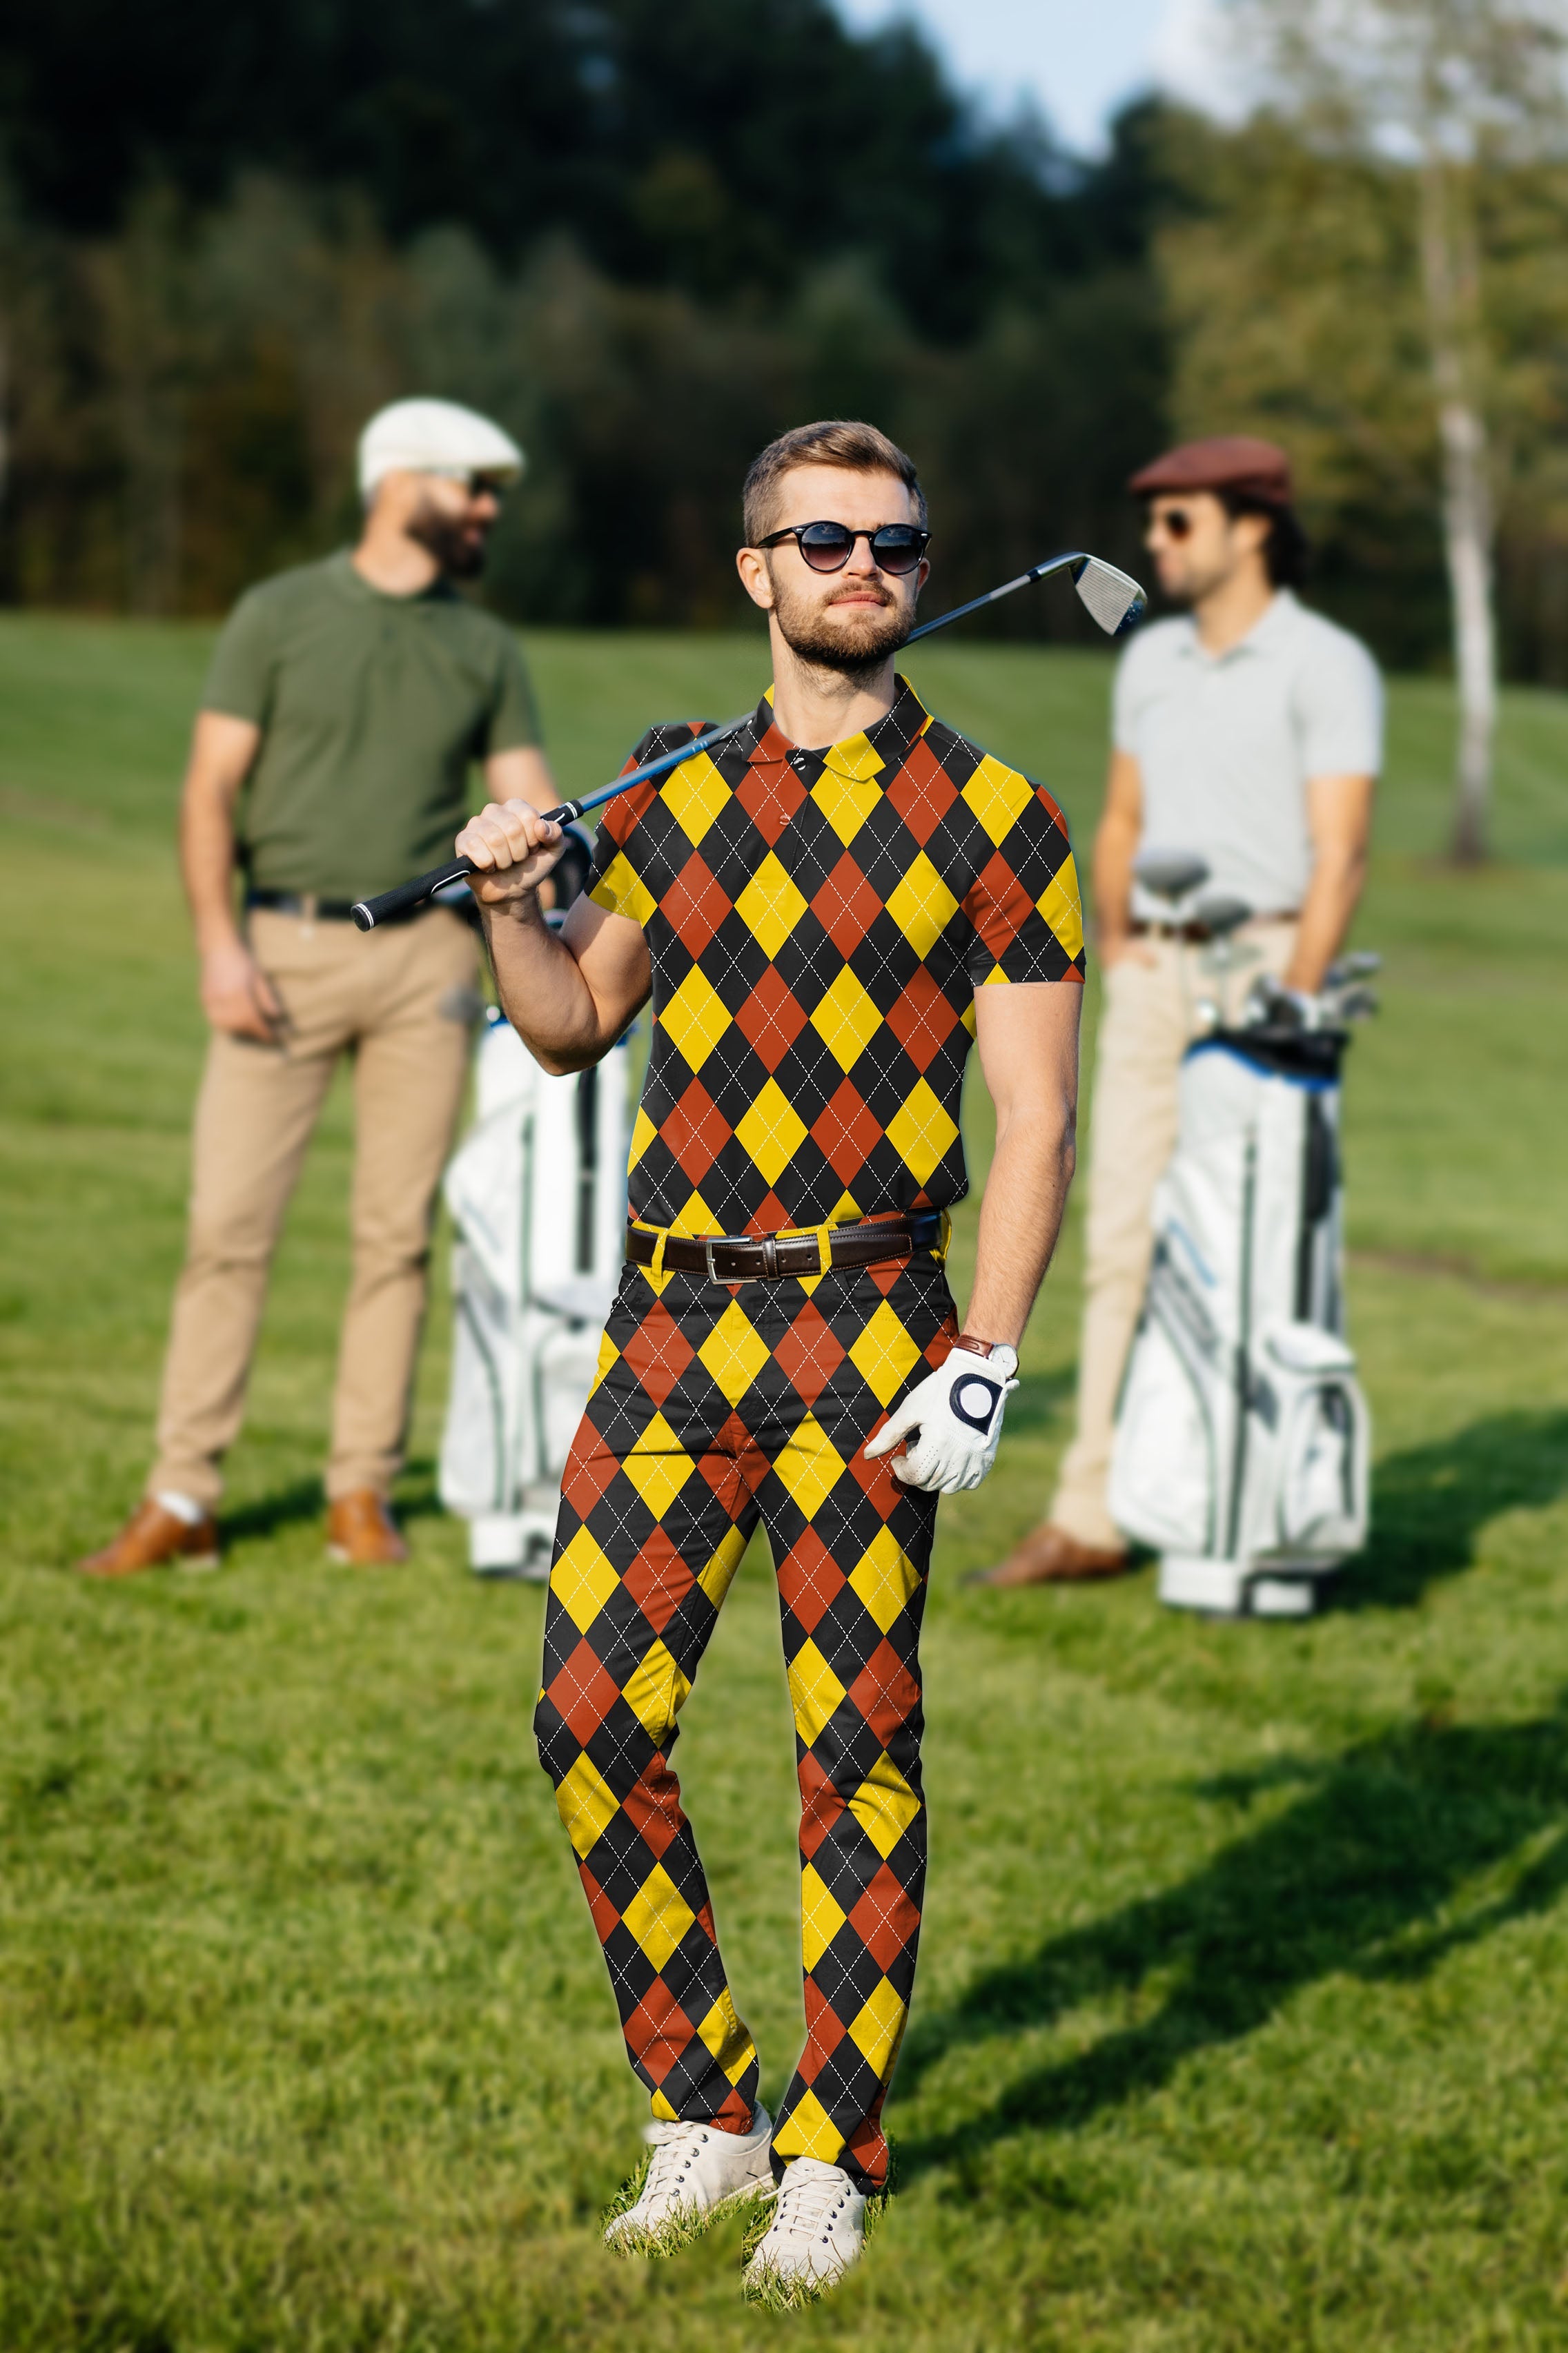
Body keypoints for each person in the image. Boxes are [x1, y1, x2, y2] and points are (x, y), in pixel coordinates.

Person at [453, 420, 1084, 2301]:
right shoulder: (672, 792)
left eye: (893, 538)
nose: (863, 564)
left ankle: (829, 2151)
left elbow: (1038, 1119)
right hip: (673, 1319)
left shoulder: (999, 816)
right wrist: (507, 897)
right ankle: (704, 2105)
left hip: (875, 1318)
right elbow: (571, 1024)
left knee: (854, 1746)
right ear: (760, 576)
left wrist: (989, 1350)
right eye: (823, 540)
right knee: (589, 1713)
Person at [78, 398, 557, 1577]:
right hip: (278, 950)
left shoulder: (484, 645)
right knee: (226, 1230)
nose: (489, 508)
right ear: (400, 483)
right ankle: (183, 1493)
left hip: (430, 967)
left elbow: (535, 802)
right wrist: (217, 947)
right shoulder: (277, 615)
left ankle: (360, 1496)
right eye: (473, 485)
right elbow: (209, 791)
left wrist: (553, 888)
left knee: (394, 1237)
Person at [980, 434, 1382, 1590]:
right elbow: (1120, 821)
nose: (1155, 543)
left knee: (1251, 1251)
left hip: (1265, 971)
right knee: (1117, 1245)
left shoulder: (1326, 662)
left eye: (1179, 522)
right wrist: (1120, 944)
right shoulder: (1150, 660)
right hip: (1154, 973)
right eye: (1151, 523)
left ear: (1253, 526)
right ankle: (1094, 1511)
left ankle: (1247, 1509)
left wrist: (1294, 1004)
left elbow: (1342, 854)